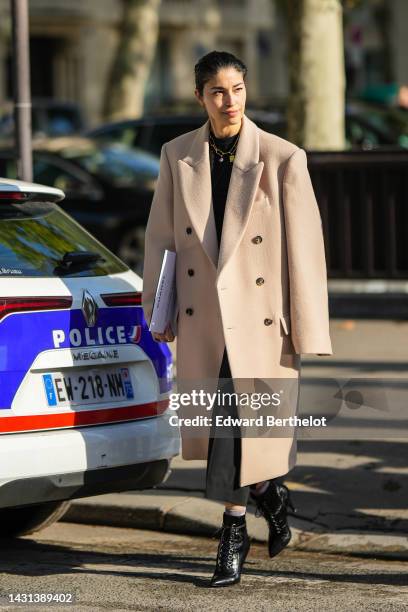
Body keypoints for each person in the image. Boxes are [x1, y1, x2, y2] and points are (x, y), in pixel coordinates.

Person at [142, 50, 332, 587]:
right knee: (232, 426)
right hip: (205, 319)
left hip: (261, 322)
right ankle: (270, 497)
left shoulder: (282, 157)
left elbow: (306, 250)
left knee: (239, 428)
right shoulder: (176, 155)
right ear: (200, 97)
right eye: (218, 92)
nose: (230, 102)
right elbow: (160, 239)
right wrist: (157, 309)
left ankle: (231, 534)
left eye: (238, 90)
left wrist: (310, 326)